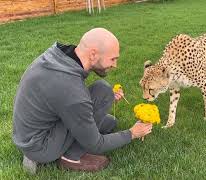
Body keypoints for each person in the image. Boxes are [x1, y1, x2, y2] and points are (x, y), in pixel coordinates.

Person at [12, 28, 153, 173]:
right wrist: (132, 133)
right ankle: (70, 157)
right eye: (112, 59)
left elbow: (67, 96)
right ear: (93, 54)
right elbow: (95, 144)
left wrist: (108, 97)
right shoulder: (71, 89)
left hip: (28, 132)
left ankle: (57, 144)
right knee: (102, 99)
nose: (115, 65)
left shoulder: (59, 56)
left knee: (108, 117)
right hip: (40, 146)